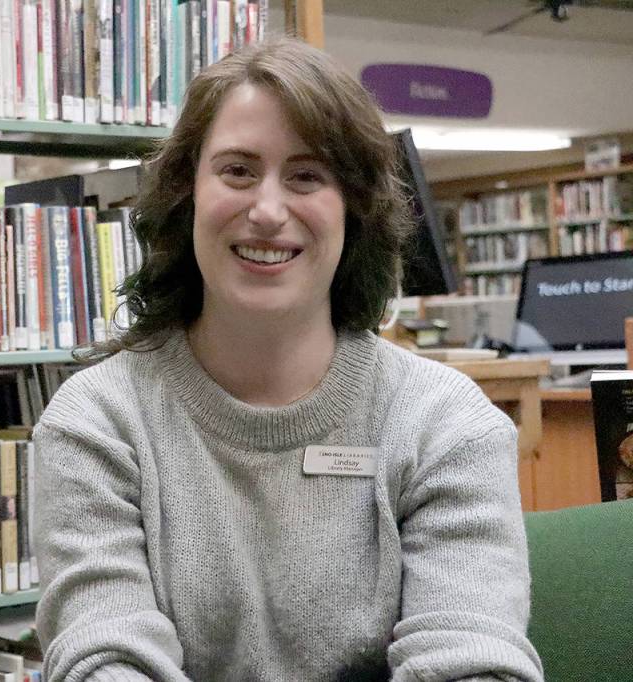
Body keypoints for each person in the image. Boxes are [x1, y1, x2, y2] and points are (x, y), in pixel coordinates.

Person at [32, 36, 544, 682]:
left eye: (307, 176)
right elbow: (103, 658)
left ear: (354, 209)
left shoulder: (445, 423)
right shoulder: (97, 421)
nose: (268, 212)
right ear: (187, 194)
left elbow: (472, 659)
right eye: (237, 171)